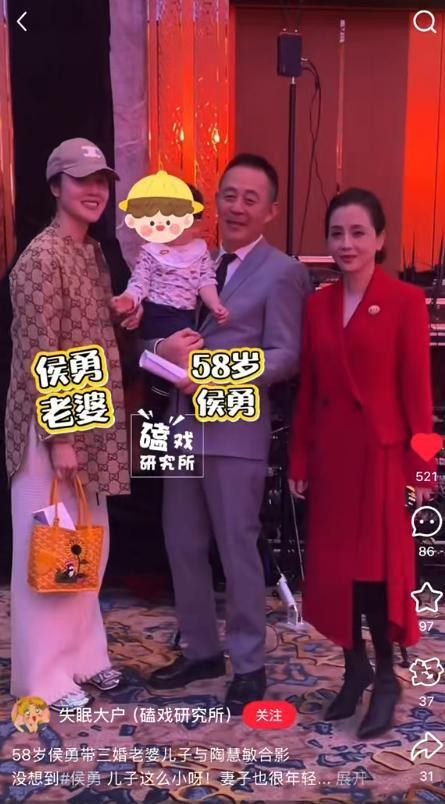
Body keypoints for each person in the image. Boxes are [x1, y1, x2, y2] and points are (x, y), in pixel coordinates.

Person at [145, 153, 312, 714]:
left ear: (271, 210)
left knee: (237, 546)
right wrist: (161, 349)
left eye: (250, 198)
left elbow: (285, 355)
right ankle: (200, 650)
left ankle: (248, 662)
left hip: (235, 427)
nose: (237, 207)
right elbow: (155, 334)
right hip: (178, 423)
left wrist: (215, 373)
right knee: (181, 541)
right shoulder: (190, 262)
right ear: (215, 201)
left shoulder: (283, 272)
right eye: (229, 195)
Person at [288, 188, 434, 738]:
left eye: (357, 233)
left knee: (373, 574)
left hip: (380, 457)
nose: (346, 243)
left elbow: (419, 396)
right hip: (332, 457)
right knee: (336, 572)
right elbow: (309, 391)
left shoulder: (404, 300)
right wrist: (300, 457)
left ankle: (387, 678)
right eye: (337, 233)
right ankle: (355, 669)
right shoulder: (317, 305)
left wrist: (423, 470)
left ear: (380, 239)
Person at [5, 138, 133, 712]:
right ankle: (43, 675)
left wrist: (119, 313)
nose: (95, 190)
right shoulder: (40, 259)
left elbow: (81, 326)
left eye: (101, 180)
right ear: (56, 186)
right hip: (48, 428)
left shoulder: (91, 252)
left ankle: (84, 656)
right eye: (82, 180)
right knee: (49, 546)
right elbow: (42, 352)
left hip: (90, 419)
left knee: (85, 545)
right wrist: (59, 439)